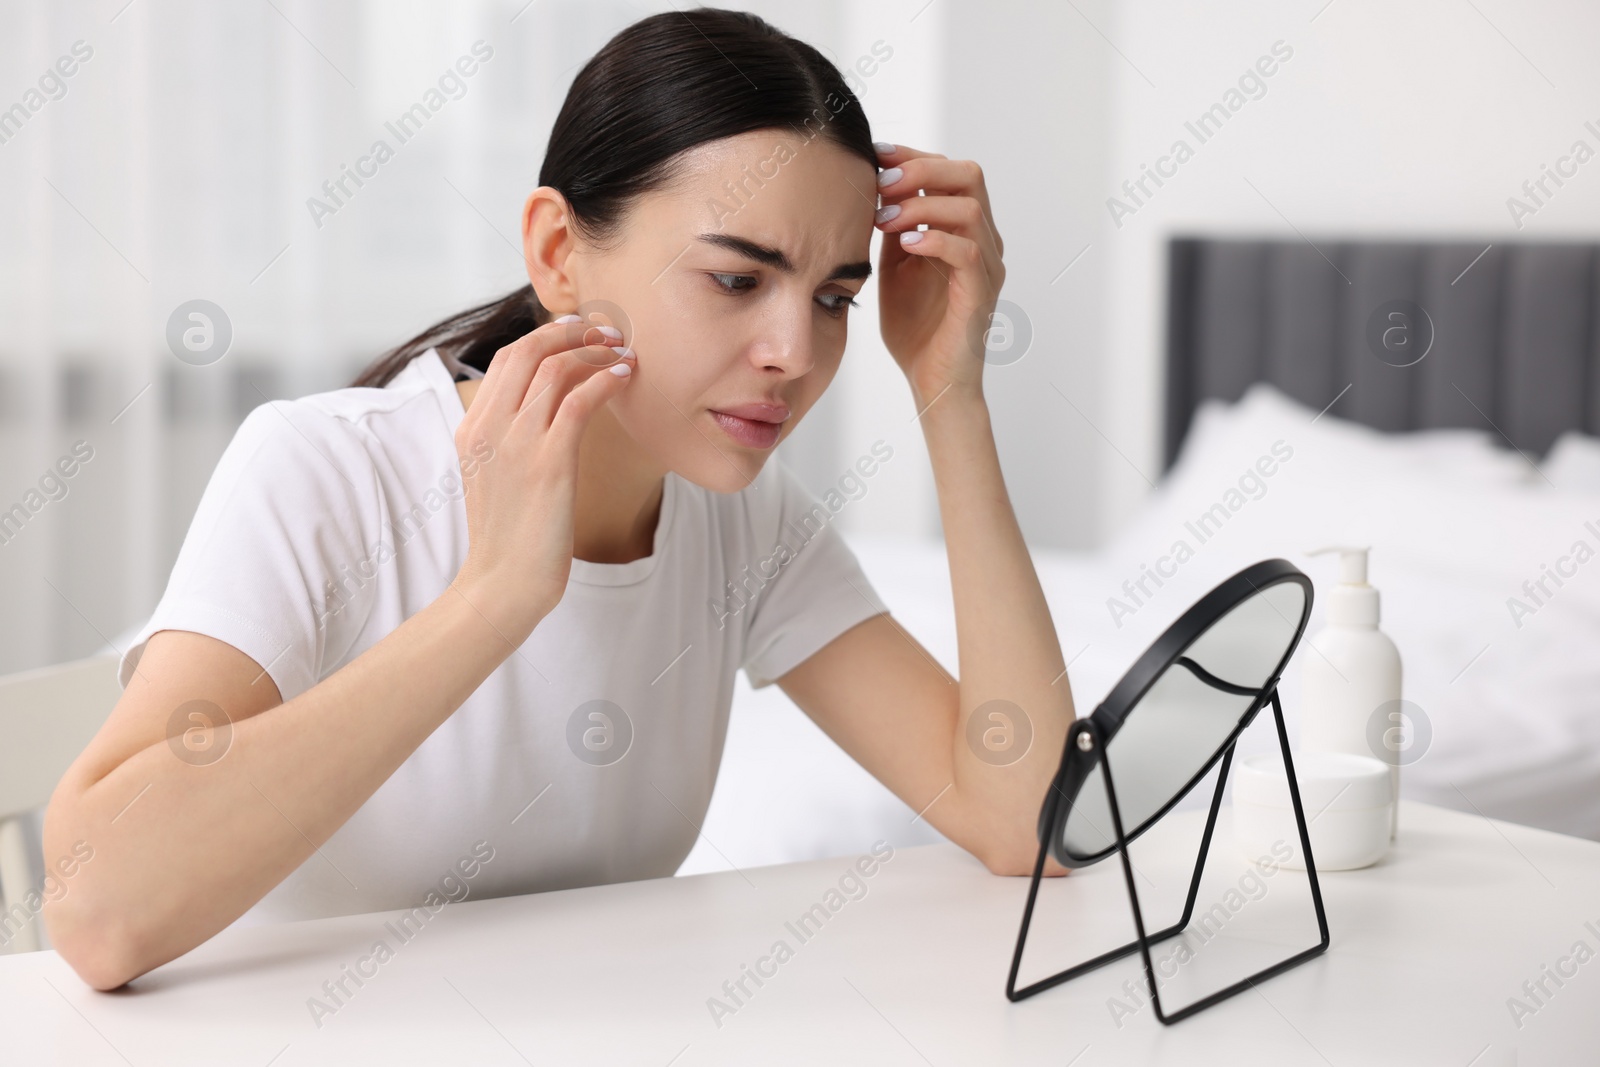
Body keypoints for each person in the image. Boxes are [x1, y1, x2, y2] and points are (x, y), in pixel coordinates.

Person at [41, 7, 1072, 992]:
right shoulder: (328, 473)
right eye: (732, 280)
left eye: (834, 297)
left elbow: (1021, 815)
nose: (794, 354)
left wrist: (949, 391)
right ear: (556, 253)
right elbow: (95, 911)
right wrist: (492, 596)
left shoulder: (742, 520)